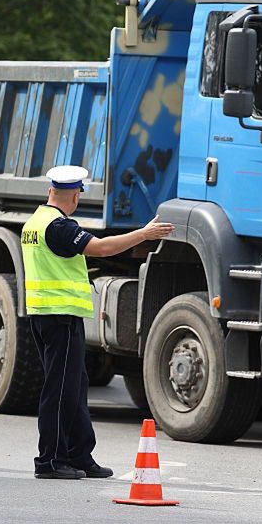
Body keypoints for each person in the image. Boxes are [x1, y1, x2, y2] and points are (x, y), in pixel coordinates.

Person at [21, 165, 174, 479]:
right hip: (59, 315)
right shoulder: (58, 226)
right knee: (61, 390)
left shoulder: (35, 222)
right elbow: (101, 248)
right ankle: (49, 461)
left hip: (51, 315)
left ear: (50, 191)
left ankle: (79, 455)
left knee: (75, 387)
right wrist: (144, 234)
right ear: (75, 196)